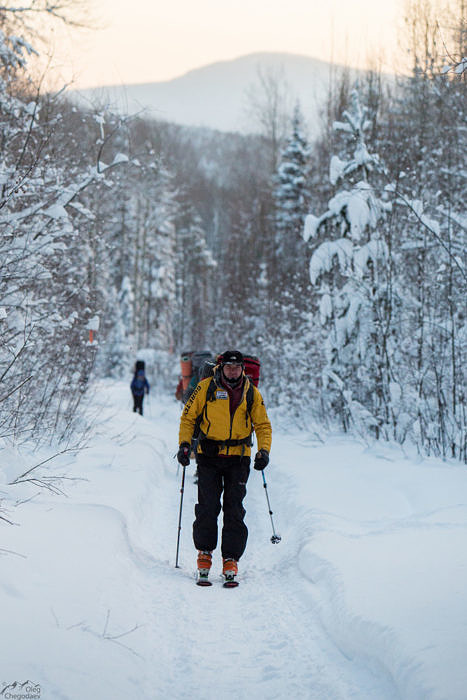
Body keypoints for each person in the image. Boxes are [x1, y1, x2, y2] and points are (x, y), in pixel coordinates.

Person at [177, 349, 272, 584]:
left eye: (236, 367)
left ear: (242, 368)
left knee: (234, 509)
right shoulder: (206, 387)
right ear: (222, 367)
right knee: (207, 507)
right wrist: (184, 445)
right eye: (228, 367)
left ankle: (231, 558)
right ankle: (204, 554)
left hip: (238, 458)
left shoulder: (251, 392)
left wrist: (264, 451)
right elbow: (188, 418)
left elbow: (262, 424)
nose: (232, 371)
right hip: (209, 456)